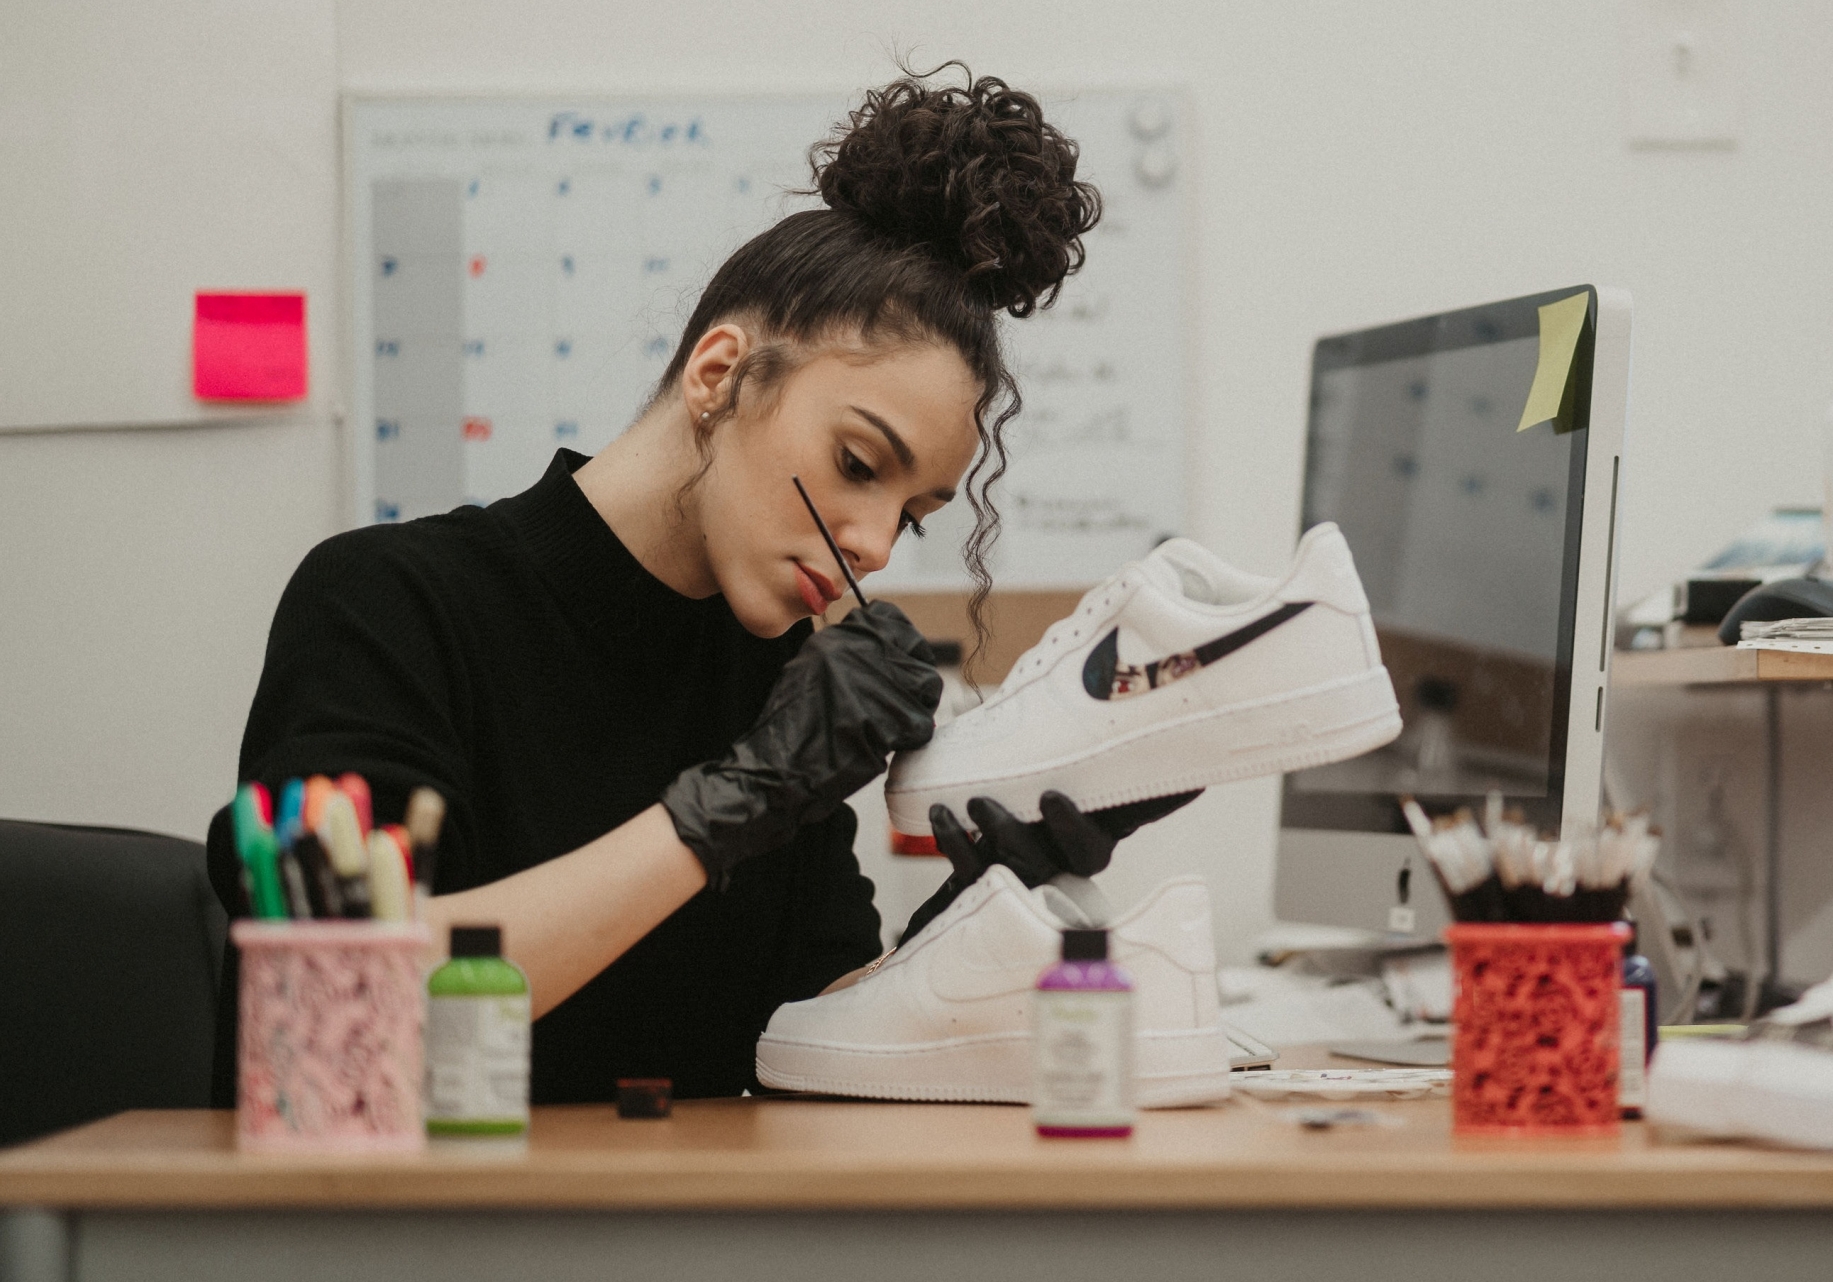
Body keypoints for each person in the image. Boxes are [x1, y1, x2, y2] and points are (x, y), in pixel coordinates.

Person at [207, 68, 1192, 1103]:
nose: (874, 545)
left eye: (911, 514)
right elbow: (344, 1009)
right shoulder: (388, 603)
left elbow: (822, 1030)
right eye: (859, 464)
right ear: (718, 374)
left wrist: (997, 892)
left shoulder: (779, 681)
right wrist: (728, 807)